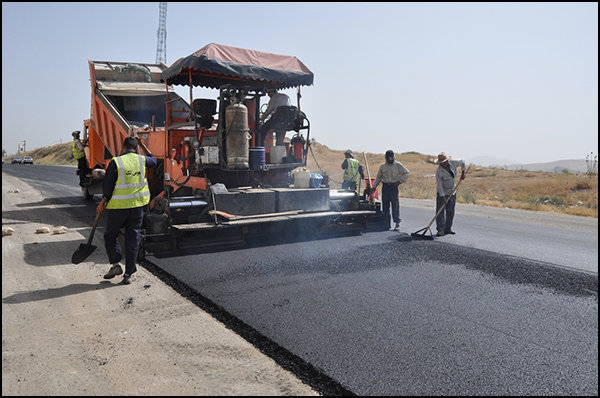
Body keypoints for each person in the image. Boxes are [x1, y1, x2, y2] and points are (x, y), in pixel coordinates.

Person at [96, 137, 157, 285]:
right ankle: (129, 273)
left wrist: (103, 202)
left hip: (118, 208)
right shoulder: (142, 160)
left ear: (123, 147)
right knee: (133, 238)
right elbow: (154, 160)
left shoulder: (116, 162)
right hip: (137, 207)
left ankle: (116, 265)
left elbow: (108, 187)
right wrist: (143, 145)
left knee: (110, 236)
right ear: (136, 148)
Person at [372, 150, 410, 231]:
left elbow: (407, 173)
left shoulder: (398, 165)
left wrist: (400, 181)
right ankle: (386, 224)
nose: (391, 159)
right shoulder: (383, 166)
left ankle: (397, 223)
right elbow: (378, 177)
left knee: (395, 205)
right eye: (389, 158)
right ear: (386, 158)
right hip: (385, 187)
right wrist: (374, 186)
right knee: (385, 206)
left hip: (393, 187)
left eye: (392, 157)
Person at [433, 152, 466, 237]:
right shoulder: (439, 171)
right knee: (440, 212)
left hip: (453, 191)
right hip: (443, 192)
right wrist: (443, 197)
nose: (442, 164)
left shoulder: (454, 163)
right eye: (441, 163)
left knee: (450, 211)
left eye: (444, 162)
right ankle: (440, 229)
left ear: (447, 161)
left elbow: (463, 162)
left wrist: (463, 173)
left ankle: (448, 229)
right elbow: (439, 185)